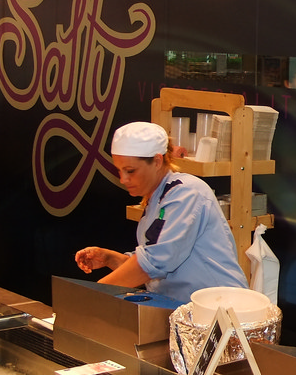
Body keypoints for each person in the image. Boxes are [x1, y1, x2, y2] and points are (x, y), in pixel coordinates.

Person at [75, 122, 247, 303]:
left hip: (220, 307)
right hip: (186, 308)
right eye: (119, 170)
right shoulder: (157, 199)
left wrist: (92, 295)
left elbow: (154, 262)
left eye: (130, 171)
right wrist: (110, 258)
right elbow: (152, 263)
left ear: (157, 161)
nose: (123, 179)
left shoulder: (186, 193)